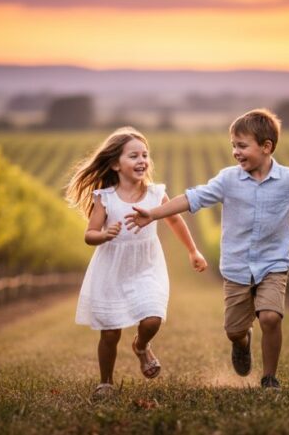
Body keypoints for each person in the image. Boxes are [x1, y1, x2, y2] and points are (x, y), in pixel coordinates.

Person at [125, 109, 289, 391]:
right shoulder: (228, 180)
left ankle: (269, 378)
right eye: (233, 146)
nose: (235, 153)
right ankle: (243, 342)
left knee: (270, 317)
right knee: (234, 330)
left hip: (273, 265)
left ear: (266, 147)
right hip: (237, 267)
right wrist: (153, 214)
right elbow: (192, 199)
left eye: (242, 146)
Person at [65, 127, 208, 400]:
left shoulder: (156, 194)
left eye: (145, 155)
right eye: (134, 156)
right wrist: (103, 235)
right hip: (112, 269)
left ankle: (141, 346)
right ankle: (105, 382)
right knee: (109, 332)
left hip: (146, 266)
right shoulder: (104, 198)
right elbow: (89, 234)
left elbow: (175, 220)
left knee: (153, 317)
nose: (142, 160)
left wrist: (193, 251)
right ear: (116, 164)